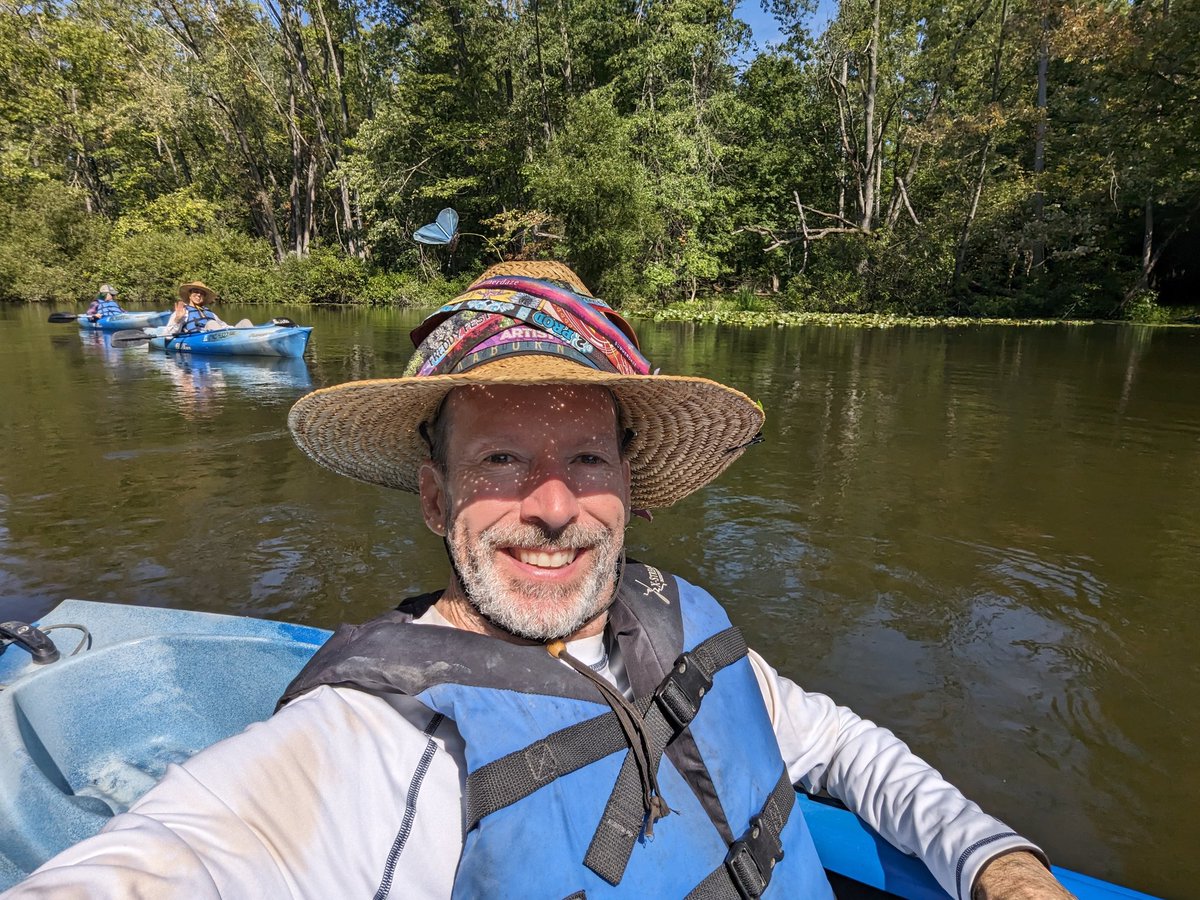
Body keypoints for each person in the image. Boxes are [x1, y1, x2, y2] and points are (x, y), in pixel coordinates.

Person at [3, 261, 1073, 899]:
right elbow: (200, 852)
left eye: (587, 460)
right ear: (436, 500)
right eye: (501, 462)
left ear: (629, 488)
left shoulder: (679, 619)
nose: (552, 506)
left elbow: (837, 745)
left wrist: (997, 861)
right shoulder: (386, 738)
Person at [165, 281, 252, 335]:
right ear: (189, 295)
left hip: (222, 336)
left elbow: (223, 326)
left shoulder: (210, 313)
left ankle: (254, 339)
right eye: (195, 291)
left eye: (201, 293)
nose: (199, 294)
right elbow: (168, 335)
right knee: (211, 323)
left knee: (245, 322)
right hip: (199, 339)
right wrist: (177, 320)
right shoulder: (183, 312)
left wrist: (236, 330)